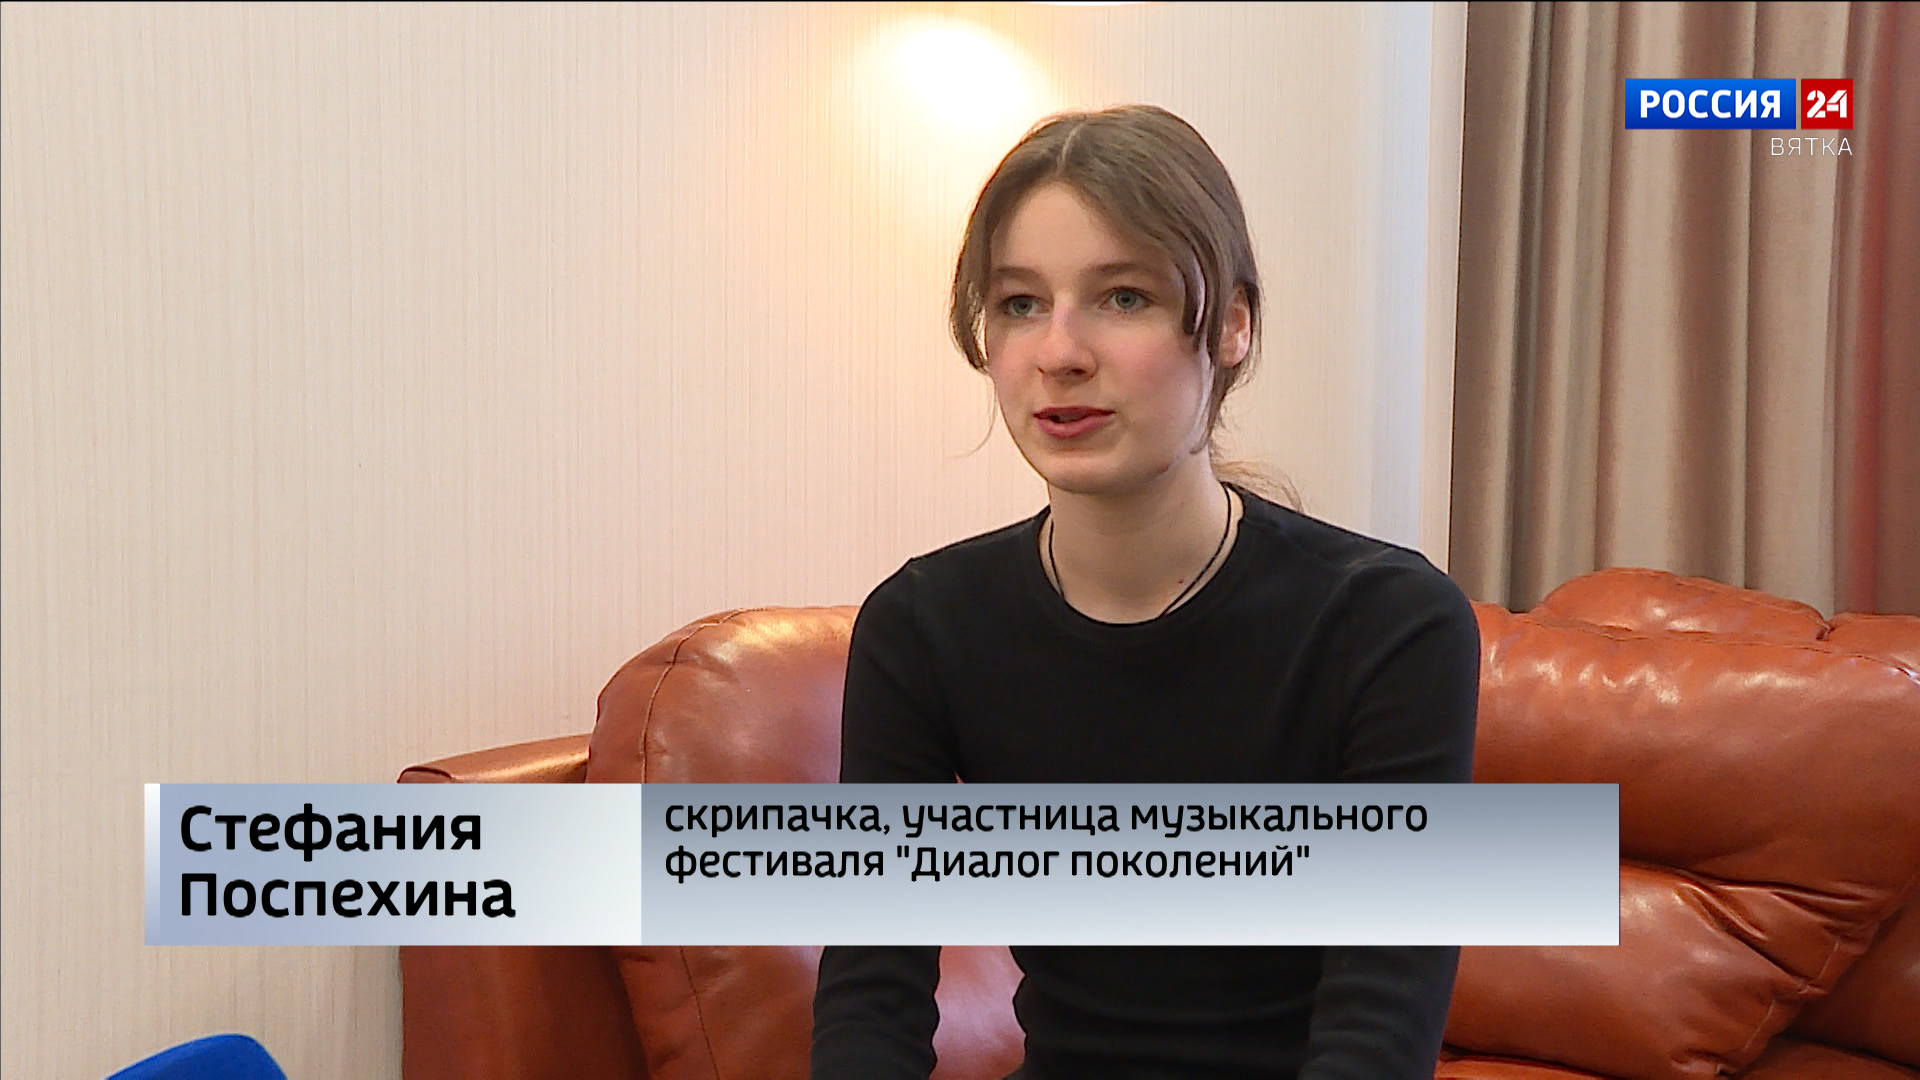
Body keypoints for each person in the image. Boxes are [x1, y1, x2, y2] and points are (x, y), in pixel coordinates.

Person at [811, 104, 1479, 1080]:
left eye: (1122, 297)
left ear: (1233, 325)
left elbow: (1379, 1032)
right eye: (1020, 303)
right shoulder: (922, 627)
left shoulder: (1388, 625)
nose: (1060, 353)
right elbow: (871, 995)